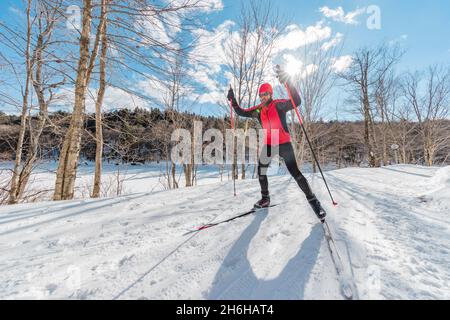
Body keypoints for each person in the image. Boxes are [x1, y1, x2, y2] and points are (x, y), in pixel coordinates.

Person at [226, 66, 326, 222]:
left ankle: (314, 202)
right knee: (261, 171)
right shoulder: (258, 110)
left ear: (270, 94)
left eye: (265, 94)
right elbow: (241, 112)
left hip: (284, 143)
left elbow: (297, 101)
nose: (262, 97)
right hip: (270, 144)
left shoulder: (278, 104)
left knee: (296, 174)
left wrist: (288, 81)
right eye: (260, 95)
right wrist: (232, 100)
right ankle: (265, 198)